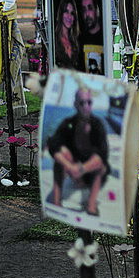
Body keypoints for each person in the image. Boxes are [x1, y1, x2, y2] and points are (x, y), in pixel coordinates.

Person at [47, 86, 110, 216]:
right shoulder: (69, 123)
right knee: (61, 155)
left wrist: (81, 169)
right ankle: (56, 202)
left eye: (89, 102)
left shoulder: (97, 125)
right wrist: (69, 165)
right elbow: (53, 144)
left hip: (90, 172)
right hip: (73, 168)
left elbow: (102, 154)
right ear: (76, 105)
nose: (86, 106)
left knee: (100, 165)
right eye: (82, 103)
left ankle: (91, 206)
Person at [54, 0, 83, 70]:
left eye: (72, 13)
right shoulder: (54, 39)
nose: (69, 17)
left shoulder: (76, 41)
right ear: (61, 14)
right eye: (66, 11)